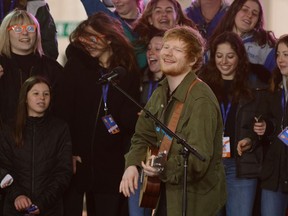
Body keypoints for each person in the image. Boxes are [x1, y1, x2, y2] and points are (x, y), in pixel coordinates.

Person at [119, 26, 226, 216]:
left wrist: (161, 168)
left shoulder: (201, 99)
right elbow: (143, 134)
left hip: (194, 201)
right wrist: (132, 165)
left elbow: (197, 161)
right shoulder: (161, 91)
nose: (168, 53)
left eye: (177, 50)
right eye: (166, 47)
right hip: (166, 194)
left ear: (193, 60)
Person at [53, 12, 140, 216]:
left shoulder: (126, 71)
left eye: (93, 37)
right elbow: (63, 111)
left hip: (111, 162)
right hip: (77, 159)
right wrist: (69, 151)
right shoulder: (76, 67)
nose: (87, 43)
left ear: (109, 38)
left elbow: (129, 118)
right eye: (84, 38)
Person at [199, 31, 270, 216]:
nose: (224, 61)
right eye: (219, 56)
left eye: (230, 56)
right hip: (209, 164)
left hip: (242, 165)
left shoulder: (255, 84)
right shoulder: (202, 84)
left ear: (240, 57)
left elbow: (265, 123)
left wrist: (253, 138)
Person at [0, 75, 73, 215]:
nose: (42, 98)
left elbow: (64, 170)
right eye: (36, 93)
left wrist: (42, 203)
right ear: (25, 98)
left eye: (46, 94)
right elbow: (2, 167)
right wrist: (17, 195)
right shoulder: (7, 129)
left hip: (50, 208)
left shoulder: (60, 128)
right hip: (14, 207)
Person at [0, 9, 63, 125]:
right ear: (6, 33)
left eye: (30, 28)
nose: (25, 33)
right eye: (17, 29)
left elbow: (64, 110)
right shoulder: (1, 65)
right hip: (5, 139)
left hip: (44, 139)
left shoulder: (52, 68)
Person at [129, 30, 165, 216]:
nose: (151, 52)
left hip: (164, 159)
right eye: (149, 48)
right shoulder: (139, 79)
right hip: (140, 154)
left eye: (157, 48)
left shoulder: (175, 85)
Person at [253, 34, 288, 216]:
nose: (281, 60)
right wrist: (265, 127)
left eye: (286, 54)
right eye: (278, 54)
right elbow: (270, 121)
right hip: (273, 171)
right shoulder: (272, 86)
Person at [208, 0, 276, 72]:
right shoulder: (217, 40)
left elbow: (277, 76)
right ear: (234, 11)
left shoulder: (264, 47)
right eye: (245, 10)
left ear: (258, 21)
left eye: (254, 13)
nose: (249, 15)